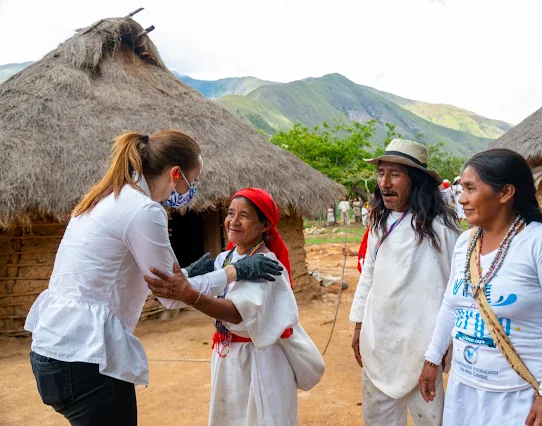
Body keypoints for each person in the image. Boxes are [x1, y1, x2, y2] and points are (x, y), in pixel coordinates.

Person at [25, 131, 282, 426]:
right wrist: (234, 271)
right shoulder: (145, 211)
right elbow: (172, 296)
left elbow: (159, 282)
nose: (192, 188)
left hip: (52, 351)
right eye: (193, 180)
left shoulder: (106, 198)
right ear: (176, 174)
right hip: (88, 357)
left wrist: (193, 273)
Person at [419, 149, 542, 426]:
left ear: (506, 192)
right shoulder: (465, 243)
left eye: (471, 188)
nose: (461, 198)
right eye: (461, 189)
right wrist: (432, 359)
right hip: (463, 389)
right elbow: (451, 304)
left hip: (516, 395)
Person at [145, 188, 323, 426]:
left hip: (262, 362)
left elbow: (237, 312)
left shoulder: (266, 263)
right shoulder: (225, 259)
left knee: (261, 418)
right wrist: (184, 278)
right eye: (230, 213)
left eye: (245, 215)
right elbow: (200, 284)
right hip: (229, 358)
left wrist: (191, 296)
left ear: (264, 225)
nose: (234, 221)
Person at [349, 139, 460, 426]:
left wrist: (444, 345)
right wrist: (359, 325)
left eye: (395, 174)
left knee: (430, 420)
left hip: (422, 347)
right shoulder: (378, 224)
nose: (384, 182)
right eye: (381, 173)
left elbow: (455, 288)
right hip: (380, 341)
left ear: (417, 180)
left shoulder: (442, 229)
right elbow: (369, 275)